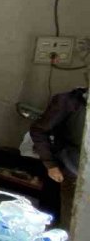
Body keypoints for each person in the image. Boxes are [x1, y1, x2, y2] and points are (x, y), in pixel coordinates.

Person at [30, 83, 87, 229]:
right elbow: (39, 130)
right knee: (70, 226)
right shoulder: (69, 102)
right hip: (71, 171)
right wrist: (50, 164)